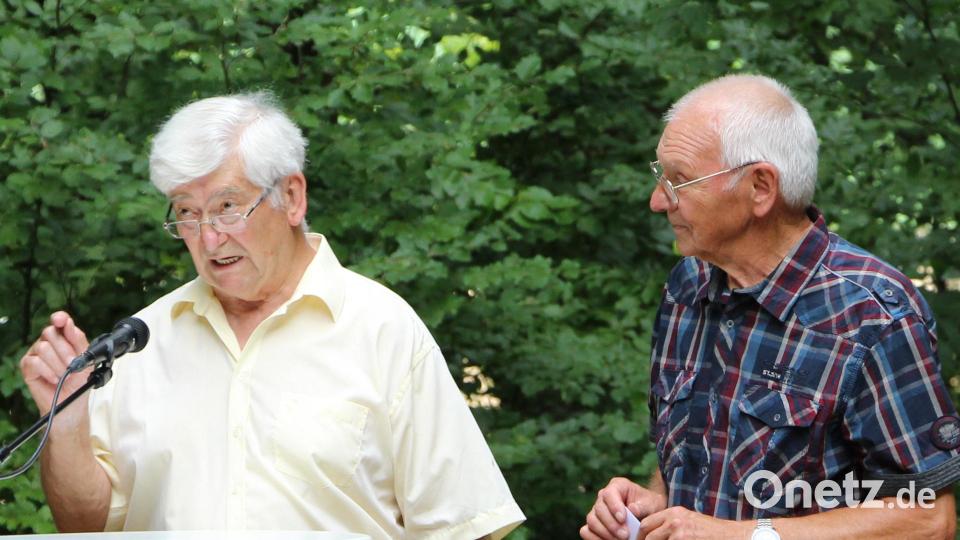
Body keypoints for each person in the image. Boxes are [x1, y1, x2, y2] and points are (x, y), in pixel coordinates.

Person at [19, 92, 525, 539]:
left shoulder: (382, 328)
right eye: (187, 213)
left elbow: (463, 528)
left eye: (228, 206)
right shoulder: (143, 339)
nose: (209, 238)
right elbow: (83, 527)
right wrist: (66, 424)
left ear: (292, 198)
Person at [581, 74, 960, 539]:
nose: (658, 201)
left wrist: (743, 536)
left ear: (760, 187)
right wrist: (655, 501)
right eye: (661, 176)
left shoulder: (873, 314)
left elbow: (928, 519)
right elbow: (699, 463)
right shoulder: (688, 285)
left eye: (680, 181)